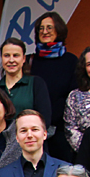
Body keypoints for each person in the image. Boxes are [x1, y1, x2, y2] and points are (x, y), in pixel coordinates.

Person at [28, 12, 78, 163]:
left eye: (49, 27)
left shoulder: (70, 61)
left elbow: (73, 96)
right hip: (35, 131)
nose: (45, 31)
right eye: (41, 28)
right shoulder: (31, 62)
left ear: (59, 30)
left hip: (62, 131)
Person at [0, 38, 51, 124]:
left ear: (24, 59)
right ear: (1, 58)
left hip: (29, 136)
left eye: (16, 55)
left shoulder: (36, 84)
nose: (11, 60)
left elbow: (44, 120)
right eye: (6, 55)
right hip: (0, 137)